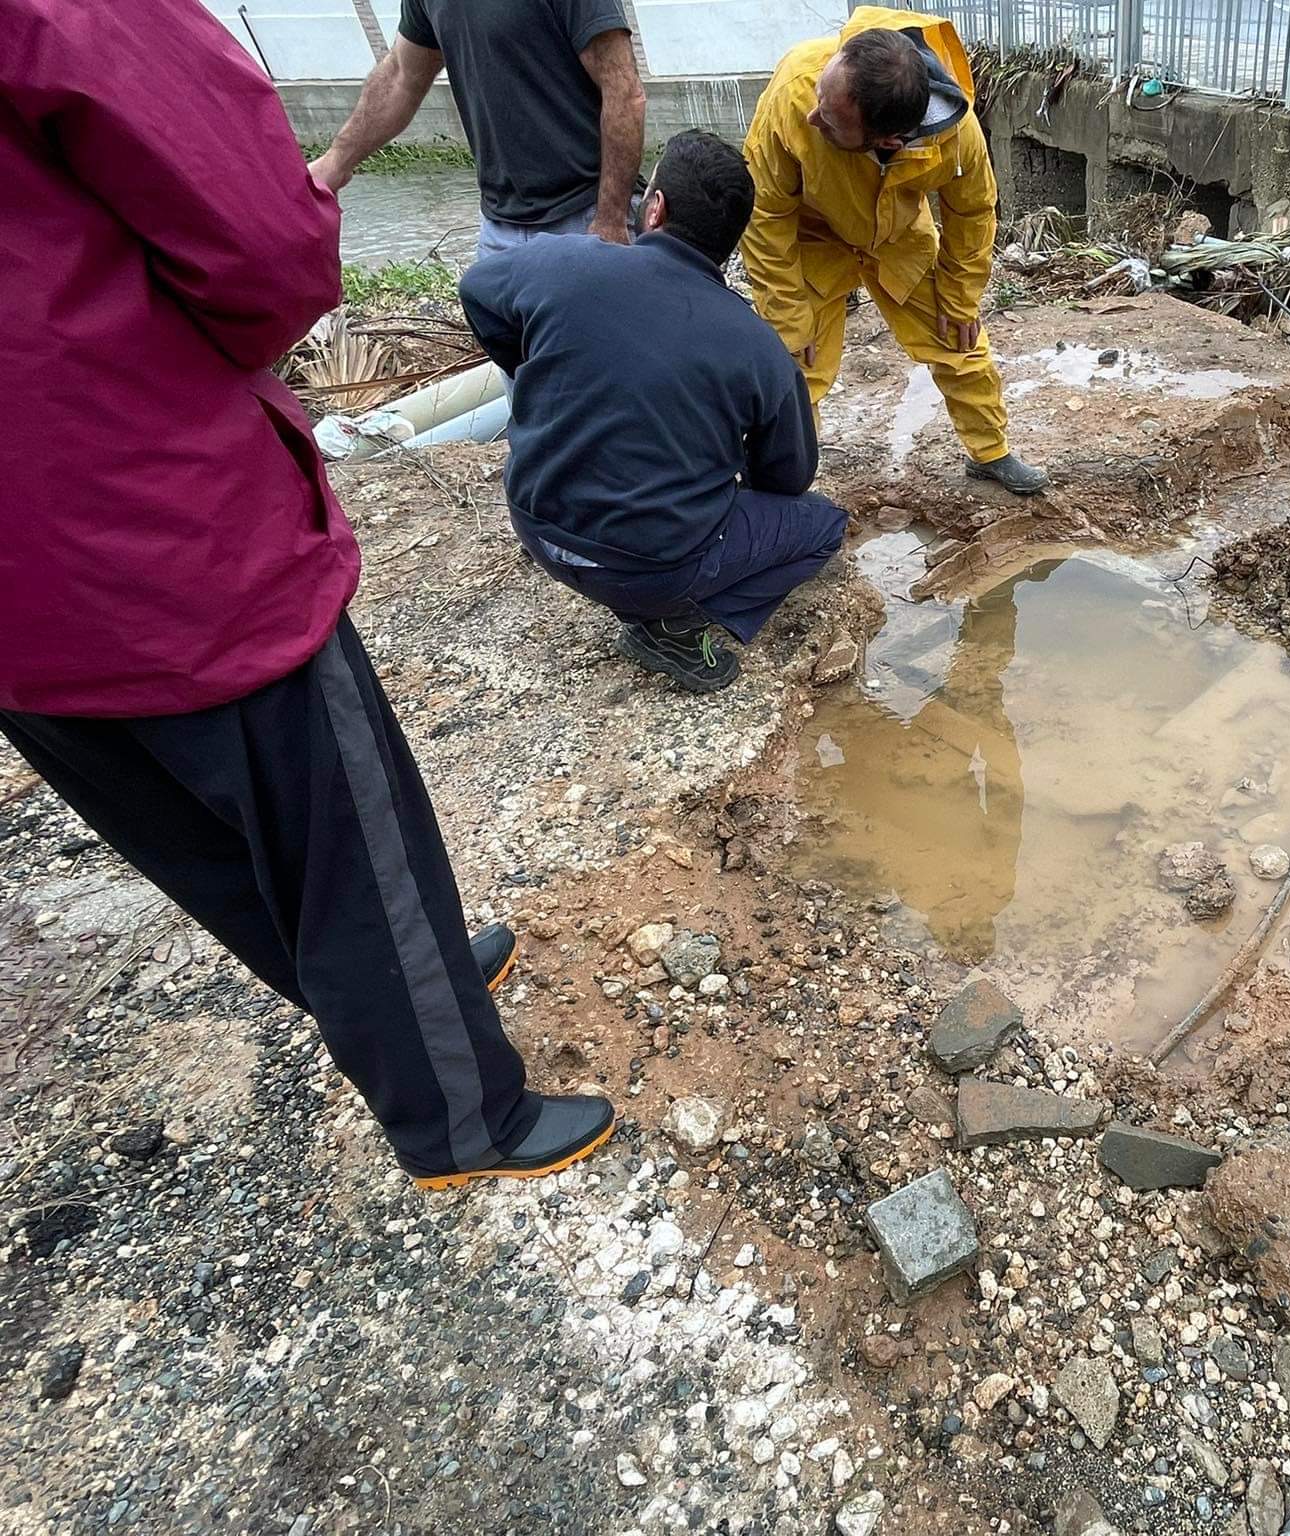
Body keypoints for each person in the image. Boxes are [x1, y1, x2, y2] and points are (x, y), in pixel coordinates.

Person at [0, 0, 613, 1191]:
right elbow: (262, 250)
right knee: (341, 832)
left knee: (211, 840)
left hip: (30, 593)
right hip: (147, 527)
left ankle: (392, 984)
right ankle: (458, 1113)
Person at [460, 131, 847, 694]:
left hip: (537, 528)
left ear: (656, 207)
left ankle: (654, 590)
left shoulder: (561, 262)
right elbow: (788, 479)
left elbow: (476, 288)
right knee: (822, 526)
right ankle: (672, 626)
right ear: (731, 246)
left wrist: (530, 370)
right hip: (650, 570)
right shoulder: (759, 347)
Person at [742, 8, 1050, 498]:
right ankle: (785, 490)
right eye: (822, 96)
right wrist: (786, 314)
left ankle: (990, 452)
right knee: (793, 365)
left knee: (960, 339)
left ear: (888, 141)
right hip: (812, 239)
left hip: (898, 237)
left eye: (830, 122)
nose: (813, 116)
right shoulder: (794, 92)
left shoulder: (956, 135)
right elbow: (765, 215)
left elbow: (972, 213)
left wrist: (960, 295)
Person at [308, 0, 645, 254]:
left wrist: (610, 220)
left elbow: (624, 93)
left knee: (594, 344)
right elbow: (401, 76)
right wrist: (336, 162)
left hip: (583, 215)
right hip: (500, 227)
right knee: (509, 345)